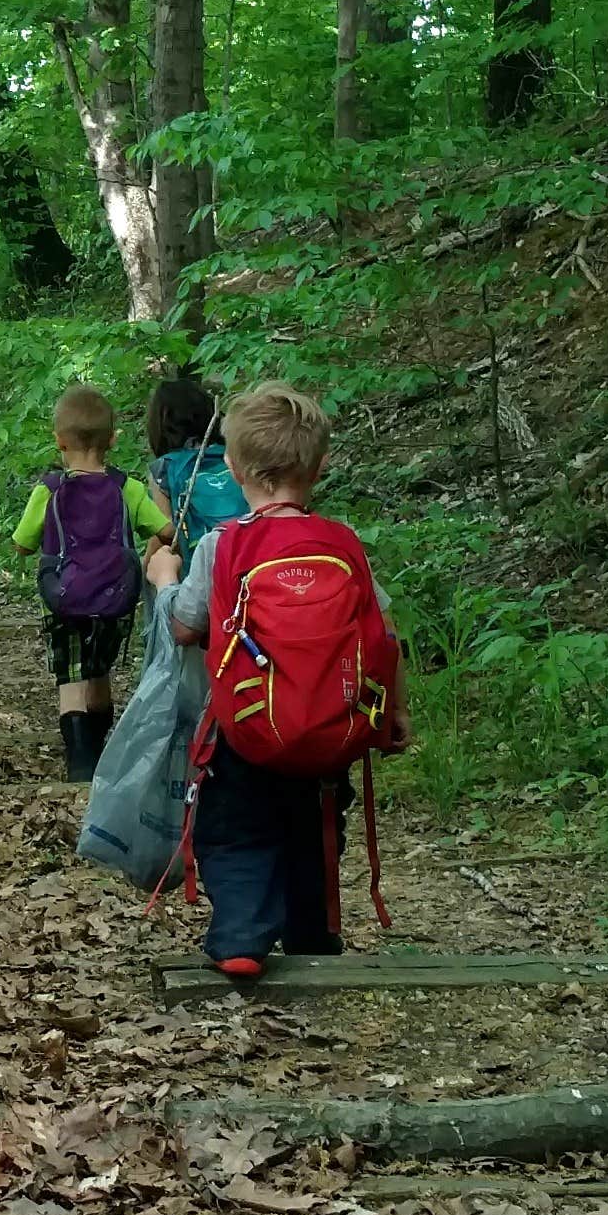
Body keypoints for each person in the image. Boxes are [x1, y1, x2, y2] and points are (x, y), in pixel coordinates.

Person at [143, 380, 404, 981]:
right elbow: (384, 636)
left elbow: (186, 626)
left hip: (245, 726)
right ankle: (311, 934)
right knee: (315, 829)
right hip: (329, 726)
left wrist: (162, 581)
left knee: (234, 830)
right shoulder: (342, 543)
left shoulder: (223, 544)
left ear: (232, 466)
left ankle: (240, 936)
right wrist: (394, 713)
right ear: (321, 465)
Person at [14, 382, 160, 784]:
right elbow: (164, 530)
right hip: (115, 600)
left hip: (63, 599)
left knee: (71, 677)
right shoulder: (126, 488)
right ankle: (100, 755)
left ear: (59, 441)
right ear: (113, 440)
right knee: (100, 673)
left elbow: (22, 544)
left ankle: (80, 767)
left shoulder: (50, 489)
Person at [145, 365, 247, 557]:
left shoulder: (164, 469)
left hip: (202, 569)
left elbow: (166, 534)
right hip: (249, 556)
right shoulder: (235, 455)